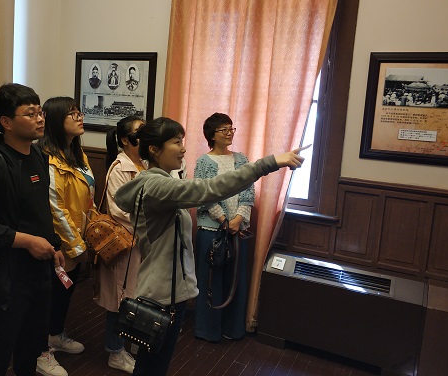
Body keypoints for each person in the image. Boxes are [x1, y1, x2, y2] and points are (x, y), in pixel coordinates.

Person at [114, 117, 306, 376]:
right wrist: (269, 163)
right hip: (161, 294)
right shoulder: (157, 186)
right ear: (154, 150)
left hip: (166, 290)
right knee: (151, 367)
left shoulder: (159, 182)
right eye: (176, 142)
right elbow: (210, 188)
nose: (183, 148)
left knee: (153, 365)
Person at [0, 83, 66, 376]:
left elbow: (39, 211)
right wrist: (28, 241)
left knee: (31, 347)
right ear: (6, 122)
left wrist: (55, 244)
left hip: (39, 269)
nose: (40, 119)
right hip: (5, 274)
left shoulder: (38, 156)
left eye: (40, 112)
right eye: (30, 113)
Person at [38, 97, 94, 372]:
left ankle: (55, 334)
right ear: (55, 121)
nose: (79, 117)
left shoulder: (77, 153)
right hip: (59, 242)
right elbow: (55, 207)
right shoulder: (48, 158)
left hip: (78, 237)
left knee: (65, 292)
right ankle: (40, 351)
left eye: (79, 112)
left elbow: (87, 197)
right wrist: (75, 244)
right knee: (48, 297)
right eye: (71, 114)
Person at [93, 115, 147, 374]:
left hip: (145, 241)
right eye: (139, 133)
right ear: (125, 140)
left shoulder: (145, 164)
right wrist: (150, 221)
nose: (144, 137)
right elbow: (118, 211)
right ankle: (115, 351)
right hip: (128, 242)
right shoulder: (119, 168)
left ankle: (133, 342)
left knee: (139, 295)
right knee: (121, 298)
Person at [193, 113, 253, 342]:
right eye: (223, 129)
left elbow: (248, 190)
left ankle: (233, 329)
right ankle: (208, 330)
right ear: (211, 135)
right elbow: (204, 194)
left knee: (235, 280)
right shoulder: (203, 162)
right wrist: (223, 221)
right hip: (212, 231)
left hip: (237, 229)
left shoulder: (242, 159)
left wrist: (238, 219)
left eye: (231, 128)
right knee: (210, 281)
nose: (229, 133)